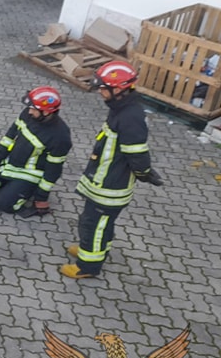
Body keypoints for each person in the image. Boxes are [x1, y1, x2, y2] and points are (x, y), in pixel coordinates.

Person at [62, 61, 163, 280]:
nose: (100, 91)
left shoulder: (130, 117)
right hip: (104, 180)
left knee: (93, 225)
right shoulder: (121, 109)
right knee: (99, 223)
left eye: (103, 88)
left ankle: (88, 266)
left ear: (119, 89)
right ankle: (92, 250)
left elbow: (137, 153)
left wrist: (144, 172)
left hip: (111, 186)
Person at [0, 86, 72, 216]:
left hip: (29, 174)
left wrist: (41, 197)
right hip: (11, 165)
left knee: (3, 204)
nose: (29, 111)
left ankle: (26, 190)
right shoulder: (28, 115)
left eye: (33, 109)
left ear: (46, 112)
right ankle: (11, 187)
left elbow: (53, 170)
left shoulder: (60, 137)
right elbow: (11, 134)